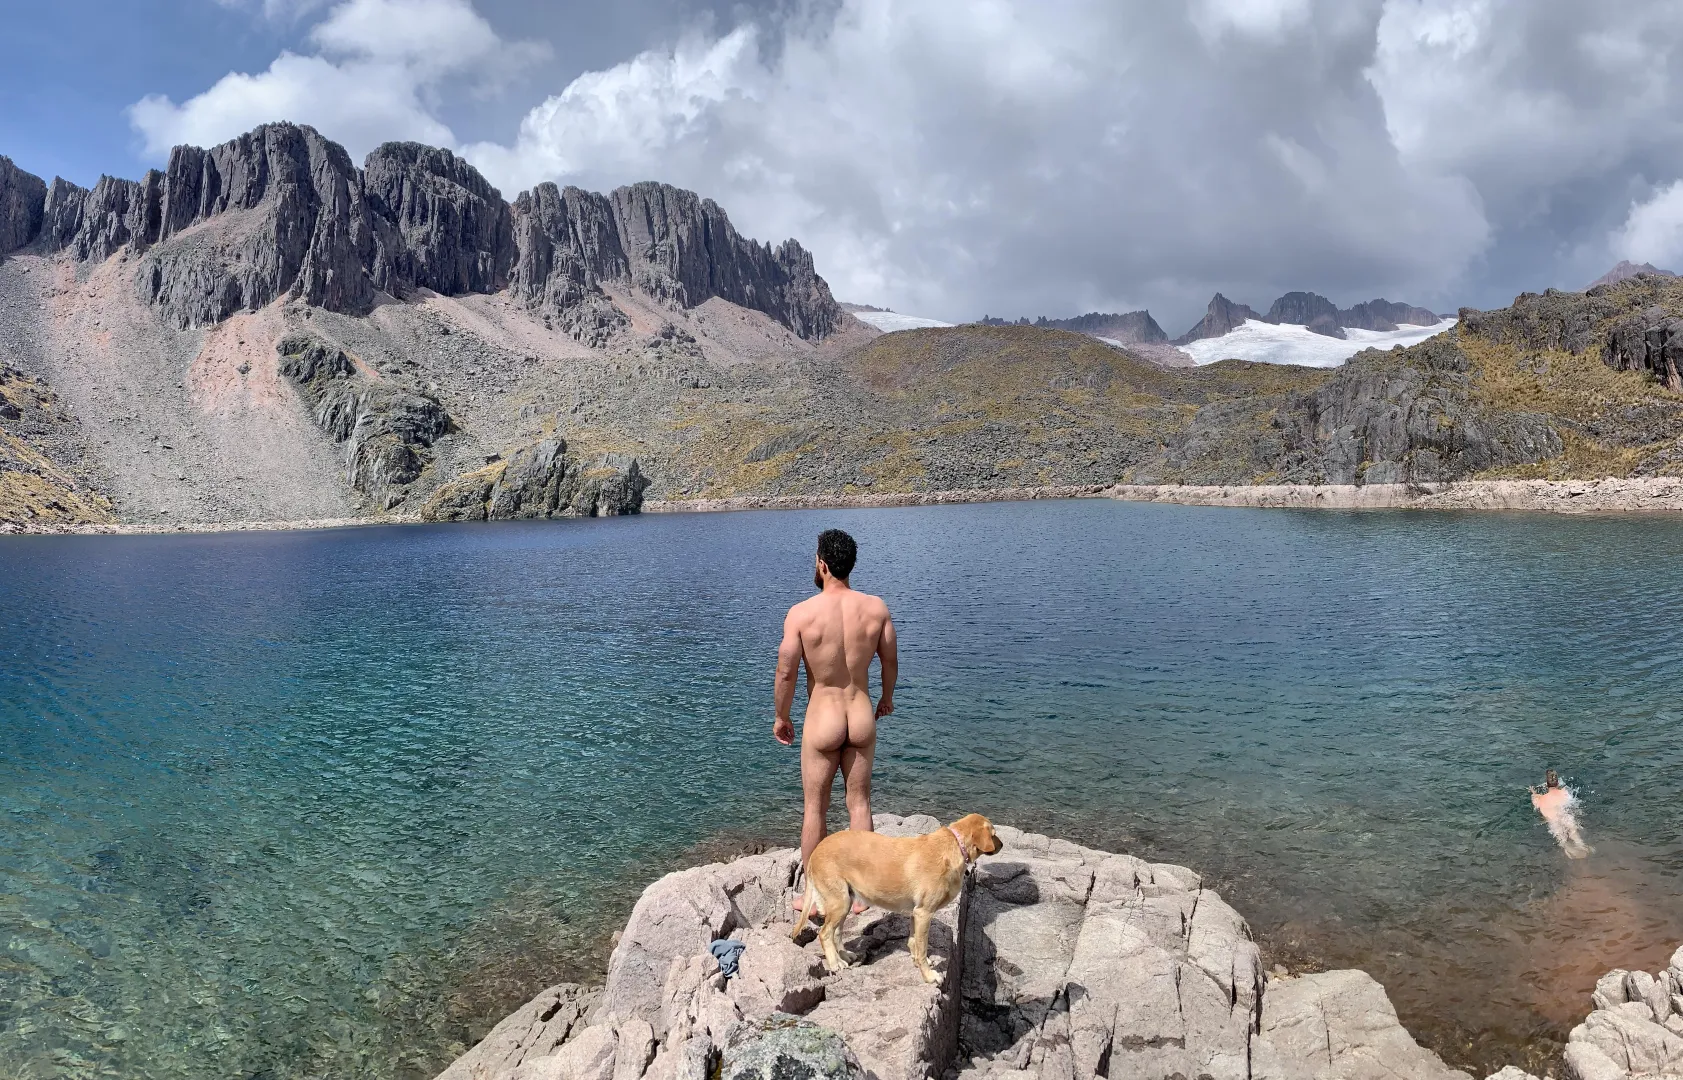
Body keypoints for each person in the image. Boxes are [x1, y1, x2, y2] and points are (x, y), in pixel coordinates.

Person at [774, 529, 898, 887]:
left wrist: (782, 717)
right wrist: (886, 699)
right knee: (859, 804)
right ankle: (862, 893)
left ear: (822, 564)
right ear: (850, 566)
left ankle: (815, 894)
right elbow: (890, 659)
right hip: (860, 715)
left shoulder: (801, 614)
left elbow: (786, 672)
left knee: (815, 808)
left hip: (823, 718)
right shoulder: (876, 609)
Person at [1530, 769, 1591, 858]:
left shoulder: (1539, 799)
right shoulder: (1564, 792)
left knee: (1561, 839)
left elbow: (1536, 803)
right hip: (1565, 814)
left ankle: (1569, 849)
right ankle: (1581, 845)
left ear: (1546, 785)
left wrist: (1533, 793)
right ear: (1557, 783)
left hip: (1553, 820)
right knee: (1573, 831)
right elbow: (1571, 801)